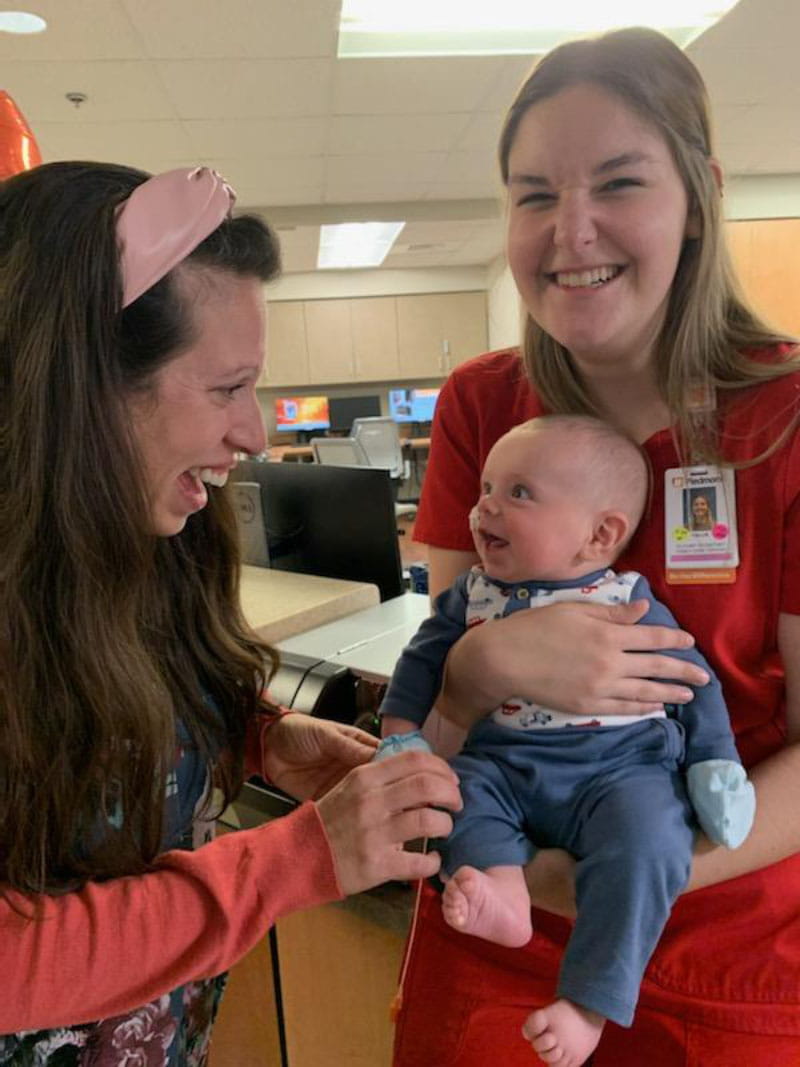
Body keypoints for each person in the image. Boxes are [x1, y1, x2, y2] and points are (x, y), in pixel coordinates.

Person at [391, 26, 800, 1067]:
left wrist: (618, 871)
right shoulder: (480, 406)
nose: (569, 233)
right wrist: (472, 676)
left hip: (727, 943)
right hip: (499, 921)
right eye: (532, 195)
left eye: (616, 182)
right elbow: (445, 687)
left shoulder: (784, 416)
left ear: (698, 191)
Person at [0, 161, 462, 1063]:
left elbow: (121, 716)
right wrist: (302, 859)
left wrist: (262, 738)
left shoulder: (151, 544)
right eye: (224, 389)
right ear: (81, 387)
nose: (253, 433)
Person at [380, 415, 754, 1064]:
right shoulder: (472, 595)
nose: (485, 506)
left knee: (651, 840)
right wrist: (400, 734)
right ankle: (501, 889)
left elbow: (693, 679)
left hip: (619, 774)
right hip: (504, 764)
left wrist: (713, 763)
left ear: (601, 533)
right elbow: (421, 665)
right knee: (455, 792)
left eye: (519, 493)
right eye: (487, 487)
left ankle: (589, 1004)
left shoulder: (627, 598)